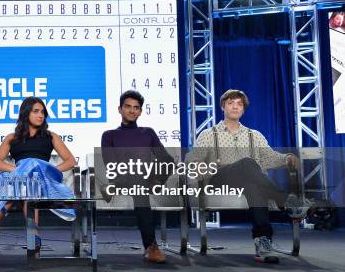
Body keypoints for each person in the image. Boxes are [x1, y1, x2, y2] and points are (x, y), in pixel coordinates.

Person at [186, 89, 308, 263]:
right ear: (223, 107)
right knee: (248, 163)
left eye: (239, 104)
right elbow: (193, 157)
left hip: (248, 182)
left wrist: (287, 158)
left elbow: (270, 157)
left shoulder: (254, 136)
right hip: (219, 181)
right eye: (231, 103)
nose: (235, 106)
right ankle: (286, 201)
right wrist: (196, 164)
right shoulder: (208, 134)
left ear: (243, 109)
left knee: (253, 186)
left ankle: (263, 242)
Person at [0, 96, 77, 249]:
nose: (40, 115)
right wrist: (17, 170)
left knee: (30, 172)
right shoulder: (12, 138)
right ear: (26, 113)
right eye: (36, 111)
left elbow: (70, 160)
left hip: (42, 179)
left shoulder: (51, 136)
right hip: (20, 180)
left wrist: (48, 171)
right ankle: (33, 232)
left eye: (42, 112)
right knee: (24, 181)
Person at [101, 90, 175, 263]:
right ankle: (151, 246)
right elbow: (110, 164)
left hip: (144, 179)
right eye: (128, 107)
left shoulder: (147, 132)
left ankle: (151, 183)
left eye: (136, 108)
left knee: (168, 161)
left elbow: (166, 159)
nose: (132, 111)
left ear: (140, 111)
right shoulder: (109, 135)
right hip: (121, 177)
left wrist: (156, 178)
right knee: (139, 184)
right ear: (120, 109)